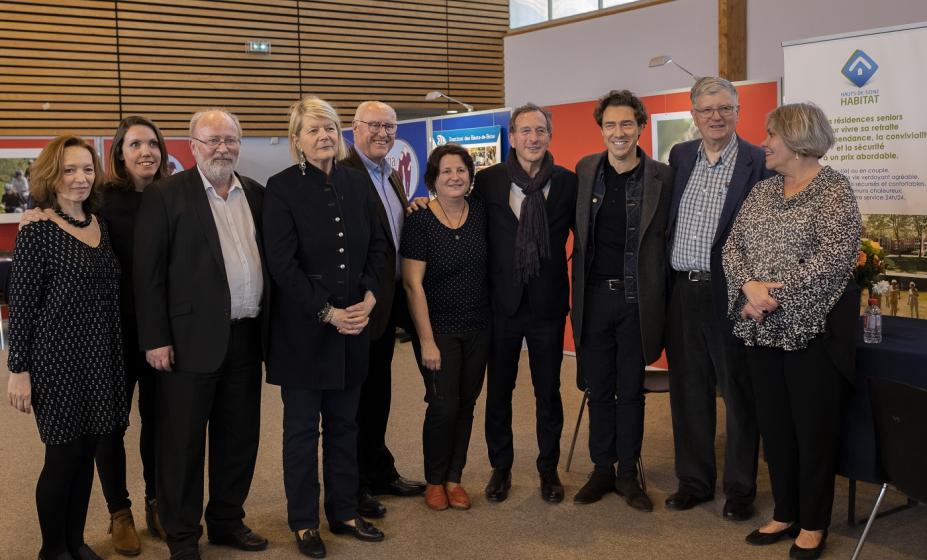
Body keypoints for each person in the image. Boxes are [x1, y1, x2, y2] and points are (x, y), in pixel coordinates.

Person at [723, 102, 861, 559]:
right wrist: (748, 286)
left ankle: (815, 522)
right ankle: (785, 511)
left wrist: (771, 296)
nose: (763, 143)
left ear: (799, 142)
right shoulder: (763, 192)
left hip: (812, 336)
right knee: (776, 427)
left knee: (812, 430)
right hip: (761, 333)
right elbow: (733, 246)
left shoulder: (834, 191)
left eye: (771, 136)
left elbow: (832, 261)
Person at [134, 109, 269, 560]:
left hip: (247, 337)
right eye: (212, 140)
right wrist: (155, 338)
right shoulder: (165, 196)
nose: (222, 148)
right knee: (182, 445)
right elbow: (148, 276)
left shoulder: (255, 193)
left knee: (239, 438)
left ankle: (228, 521)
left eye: (230, 139)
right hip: (187, 342)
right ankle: (183, 537)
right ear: (192, 146)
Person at [264, 96, 388, 559]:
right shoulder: (281, 187)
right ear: (297, 140)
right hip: (303, 333)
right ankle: (302, 521)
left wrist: (370, 297)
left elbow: (379, 246)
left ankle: (344, 510)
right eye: (314, 130)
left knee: (344, 426)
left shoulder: (357, 184)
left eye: (331, 129)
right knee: (301, 432)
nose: (324, 137)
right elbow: (282, 263)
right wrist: (329, 312)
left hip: (354, 327)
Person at [6, 135, 128, 560]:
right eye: (70, 170)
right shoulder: (37, 229)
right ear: (51, 176)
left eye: (87, 169)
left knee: (89, 453)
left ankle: (75, 541)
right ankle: (52, 549)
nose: (80, 178)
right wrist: (18, 369)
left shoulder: (100, 225)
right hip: (56, 362)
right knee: (62, 457)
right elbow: (20, 308)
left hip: (100, 359)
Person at [664, 77, 771, 521]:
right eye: (707, 109)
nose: (715, 117)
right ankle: (694, 480)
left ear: (738, 111)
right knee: (688, 390)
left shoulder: (757, 161)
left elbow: (768, 235)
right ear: (693, 113)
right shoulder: (681, 155)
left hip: (732, 295)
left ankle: (740, 488)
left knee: (738, 393)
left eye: (724, 108)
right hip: (681, 291)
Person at [570, 90, 672, 512]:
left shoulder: (661, 176)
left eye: (626, 124)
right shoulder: (586, 169)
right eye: (610, 125)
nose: (618, 132)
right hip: (593, 298)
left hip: (636, 300)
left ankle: (628, 474)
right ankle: (601, 470)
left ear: (640, 126)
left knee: (630, 391)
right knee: (599, 389)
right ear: (601, 129)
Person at [475, 103, 577, 504]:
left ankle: (547, 468)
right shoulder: (488, 182)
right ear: (512, 136)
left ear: (549, 136)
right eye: (524, 131)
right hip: (501, 304)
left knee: (548, 391)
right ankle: (501, 467)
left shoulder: (568, 183)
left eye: (540, 131)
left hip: (547, 305)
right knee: (498, 390)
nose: (532, 138)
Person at [341, 100, 425, 520]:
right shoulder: (345, 174)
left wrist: (415, 209)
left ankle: (377, 470)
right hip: (361, 304)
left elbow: (390, 230)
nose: (382, 133)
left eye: (389, 126)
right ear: (353, 128)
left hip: (388, 304)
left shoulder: (389, 173)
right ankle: (352, 486)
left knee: (379, 394)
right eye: (373, 125)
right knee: (355, 401)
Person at [401, 143, 491, 512]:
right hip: (438, 329)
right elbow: (412, 284)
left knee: (467, 404)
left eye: (461, 171)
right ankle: (435, 480)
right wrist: (426, 341)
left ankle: (455, 478)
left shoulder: (481, 212)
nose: (455, 177)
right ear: (433, 180)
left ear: (470, 176)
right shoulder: (420, 219)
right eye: (446, 172)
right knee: (442, 405)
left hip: (479, 327)